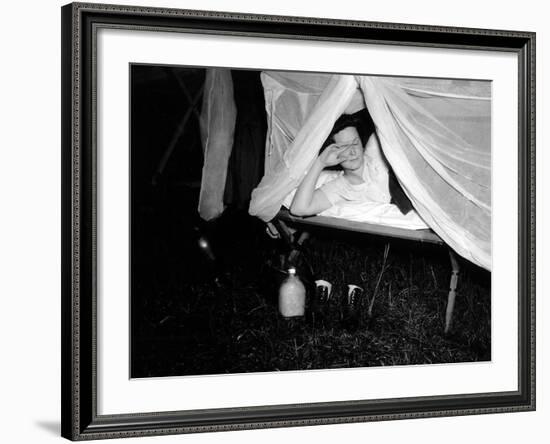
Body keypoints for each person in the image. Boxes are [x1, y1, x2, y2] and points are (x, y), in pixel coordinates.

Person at [290, 111, 397, 217]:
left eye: (355, 143)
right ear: (331, 151)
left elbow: (392, 120)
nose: (353, 152)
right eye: (344, 147)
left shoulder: (375, 154)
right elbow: (298, 209)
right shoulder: (339, 188)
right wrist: (320, 163)